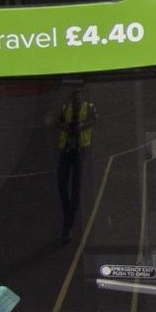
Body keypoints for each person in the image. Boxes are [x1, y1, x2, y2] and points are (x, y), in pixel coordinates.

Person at [55, 85, 95, 244]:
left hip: (79, 150)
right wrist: (66, 126)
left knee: (76, 188)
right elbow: (57, 121)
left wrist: (79, 126)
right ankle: (67, 213)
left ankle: (68, 225)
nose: (77, 100)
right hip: (66, 150)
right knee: (61, 183)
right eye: (74, 97)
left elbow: (93, 120)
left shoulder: (89, 108)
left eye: (79, 97)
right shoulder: (66, 109)